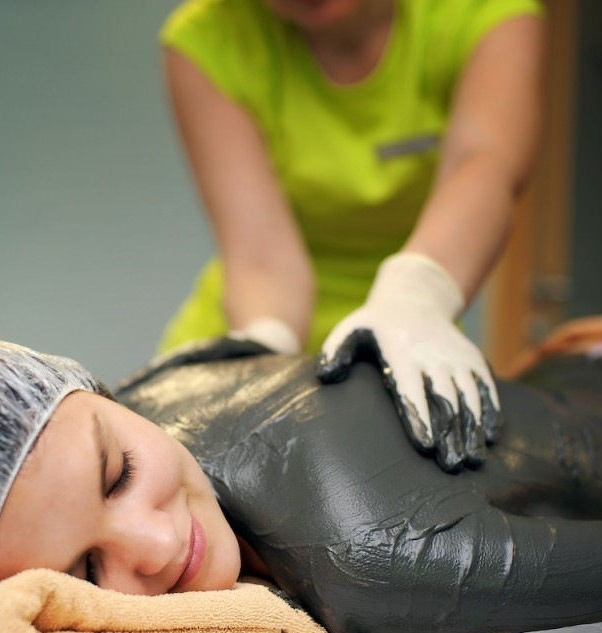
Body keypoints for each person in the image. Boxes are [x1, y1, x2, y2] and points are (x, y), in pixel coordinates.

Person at [0, 309, 602, 633]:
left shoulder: (375, 555)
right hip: (593, 372)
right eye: (86, 573)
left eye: (119, 471)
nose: (159, 545)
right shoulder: (155, 388)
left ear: (94, 388)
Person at [157, 0, 545, 470]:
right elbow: (260, 252)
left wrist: (418, 293)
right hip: (262, 320)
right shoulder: (208, 39)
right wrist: (262, 347)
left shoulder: (479, 11)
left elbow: (486, 164)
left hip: (413, 329)